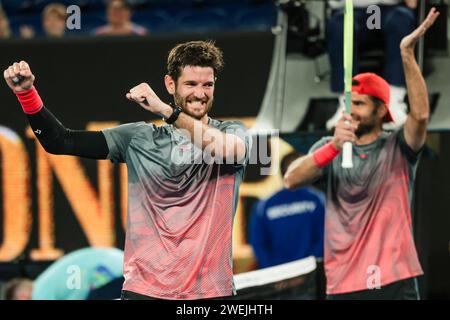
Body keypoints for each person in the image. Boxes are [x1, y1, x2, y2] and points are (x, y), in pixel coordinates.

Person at [3, 40, 251, 300]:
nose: (200, 94)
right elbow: (60, 141)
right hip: (144, 293)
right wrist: (26, 94)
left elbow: (227, 151)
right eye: (191, 84)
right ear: (170, 84)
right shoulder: (137, 138)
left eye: (207, 85)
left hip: (210, 294)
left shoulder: (231, 132)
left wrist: (166, 111)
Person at [284, 8, 440, 300]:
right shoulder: (329, 147)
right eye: (348, 102)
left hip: (396, 278)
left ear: (381, 110)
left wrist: (406, 54)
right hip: (345, 283)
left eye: (359, 104)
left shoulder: (398, 146)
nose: (350, 110)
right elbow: (291, 180)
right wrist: (332, 147)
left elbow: (419, 116)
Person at [326, 0, 418, 131]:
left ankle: (394, 101)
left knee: (401, 20)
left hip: (390, 8)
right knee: (340, 25)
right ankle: (346, 104)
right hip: (350, 8)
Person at [249, 151, 325, 269]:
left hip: (280, 278)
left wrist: (274, 273)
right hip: (310, 275)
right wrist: (306, 271)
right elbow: (324, 239)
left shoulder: (264, 205)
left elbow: (258, 246)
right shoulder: (318, 200)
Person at [3, 247, 124, 300]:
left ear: (21, 296)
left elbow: (81, 284)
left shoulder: (39, 293)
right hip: (120, 266)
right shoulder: (45, 282)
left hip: (115, 273)